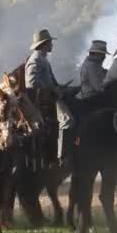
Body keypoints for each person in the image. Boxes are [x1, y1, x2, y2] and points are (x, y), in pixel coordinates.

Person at [24, 29, 75, 168]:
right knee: (67, 120)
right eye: (50, 42)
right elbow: (32, 84)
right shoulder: (35, 60)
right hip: (45, 100)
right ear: (44, 44)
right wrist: (52, 90)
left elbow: (51, 82)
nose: (52, 44)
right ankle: (61, 156)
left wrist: (62, 88)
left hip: (52, 95)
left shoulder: (43, 59)